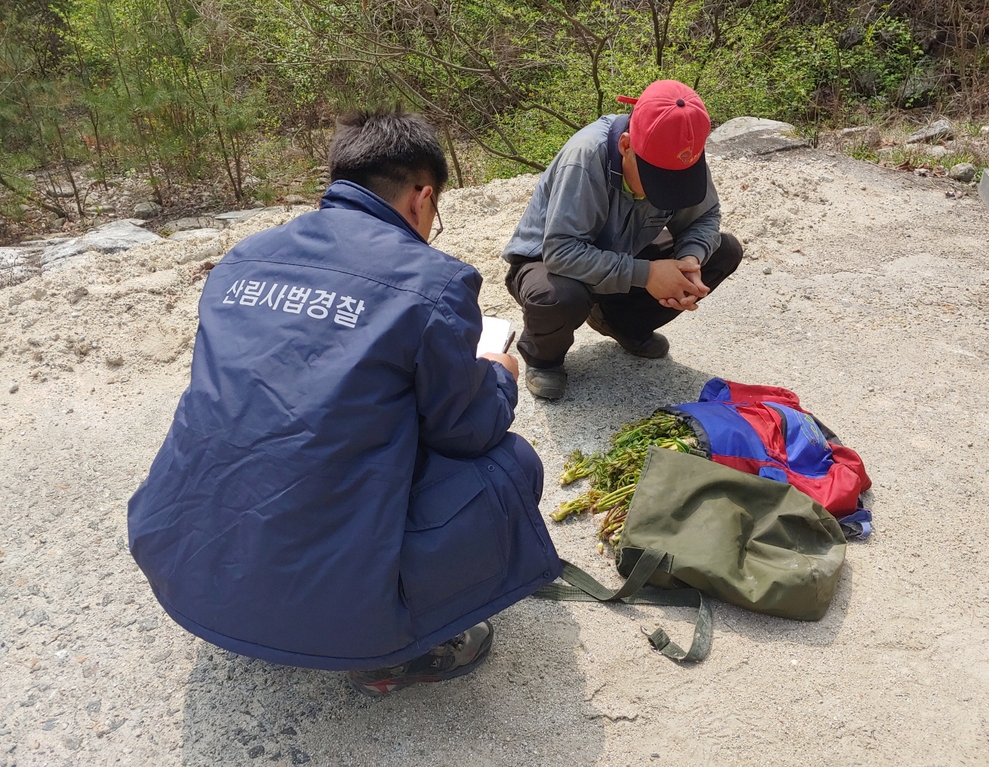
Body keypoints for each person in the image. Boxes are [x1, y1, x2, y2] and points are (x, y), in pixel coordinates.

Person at [127, 109, 561, 698]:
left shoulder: (243, 257)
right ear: (421, 197)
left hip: (181, 566)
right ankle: (392, 649)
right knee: (510, 464)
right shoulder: (433, 281)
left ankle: (265, 611)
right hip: (328, 607)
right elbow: (466, 431)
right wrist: (500, 375)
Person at [502, 79, 744, 400]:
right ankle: (543, 357)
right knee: (559, 296)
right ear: (626, 145)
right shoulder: (586, 156)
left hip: (622, 253)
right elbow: (562, 252)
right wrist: (648, 274)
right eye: (656, 179)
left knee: (722, 251)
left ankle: (621, 324)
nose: (665, 191)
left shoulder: (680, 152)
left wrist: (690, 260)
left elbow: (705, 216)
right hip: (548, 261)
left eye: (677, 180)